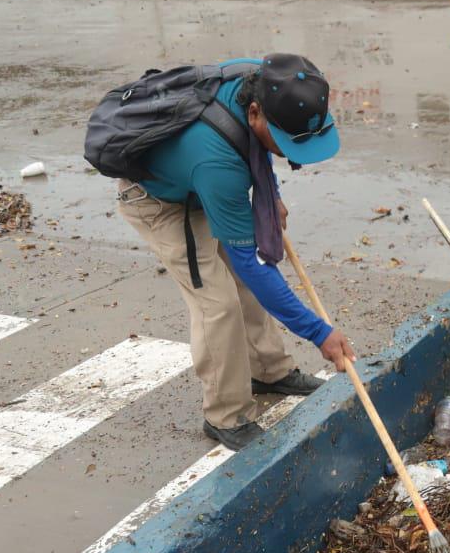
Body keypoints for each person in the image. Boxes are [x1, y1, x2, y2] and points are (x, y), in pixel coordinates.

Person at [117, 54, 357, 450]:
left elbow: (255, 146)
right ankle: (225, 416)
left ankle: (269, 371)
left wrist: (271, 192)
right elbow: (252, 264)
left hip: (202, 181)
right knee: (217, 303)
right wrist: (320, 333)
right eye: (283, 143)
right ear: (256, 113)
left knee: (247, 285)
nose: (286, 154)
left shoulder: (263, 78)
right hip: (160, 200)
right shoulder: (218, 163)